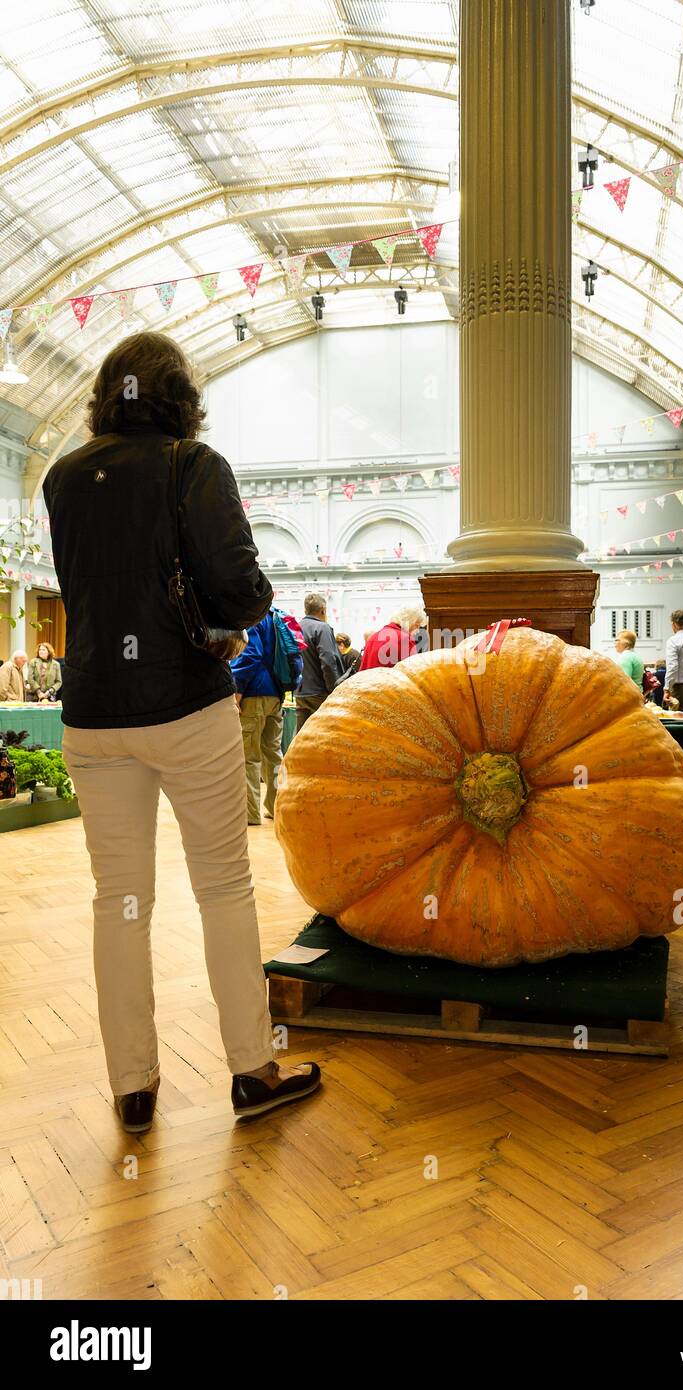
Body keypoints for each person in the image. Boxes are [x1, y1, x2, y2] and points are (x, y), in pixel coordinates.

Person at [42, 331, 319, 1133]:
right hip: (186, 707)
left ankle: (133, 1088)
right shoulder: (192, 466)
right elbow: (241, 594)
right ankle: (250, 1071)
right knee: (224, 889)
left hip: (92, 713)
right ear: (180, 395)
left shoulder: (62, 477)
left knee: (118, 901)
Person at [231, 610, 293, 826]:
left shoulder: (250, 617)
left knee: (249, 756)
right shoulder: (275, 617)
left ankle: (251, 813)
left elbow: (251, 654)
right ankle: (277, 809)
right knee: (274, 754)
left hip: (254, 693)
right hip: (276, 693)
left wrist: (237, 688)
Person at [297, 592, 343, 730]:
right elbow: (328, 661)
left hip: (300, 692)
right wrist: (333, 688)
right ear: (323, 609)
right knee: (325, 735)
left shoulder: (296, 627)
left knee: (301, 737)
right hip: (319, 693)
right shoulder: (323, 628)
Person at [360, 606, 426, 671]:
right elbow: (413, 672)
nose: (417, 631)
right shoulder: (405, 639)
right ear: (410, 622)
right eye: (417, 625)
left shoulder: (374, 637)